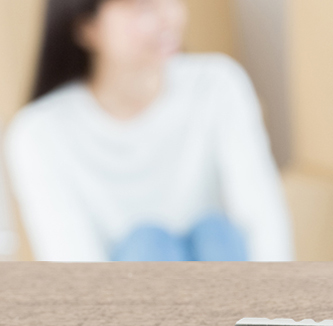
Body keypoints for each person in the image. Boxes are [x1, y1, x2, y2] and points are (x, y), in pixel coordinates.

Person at [5, 0, 293, 262]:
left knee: (215, 234)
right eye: (143, 7)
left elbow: (262, 218)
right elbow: (75, 263)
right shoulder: (39, 132)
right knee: (149, 245)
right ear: (87, 28)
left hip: (227, 277)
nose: (169, 16)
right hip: (124, 294)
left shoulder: (218, 83)